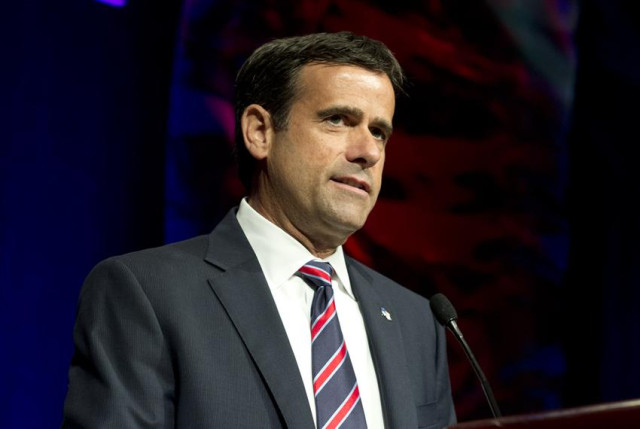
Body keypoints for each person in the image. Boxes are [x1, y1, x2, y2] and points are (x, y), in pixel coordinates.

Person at [62, 32, 456, 428]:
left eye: (379, 132)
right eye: (338, 119)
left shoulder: (417, 322)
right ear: (260, 132)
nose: (368, 151)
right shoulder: (147, 293)